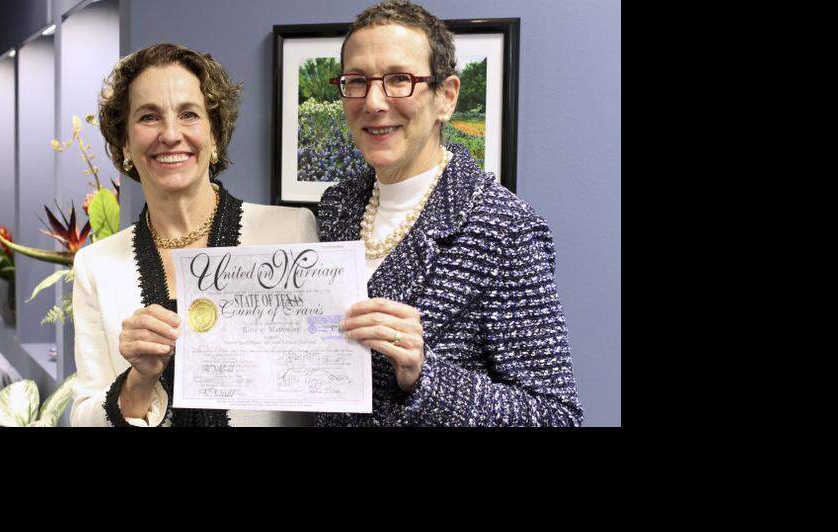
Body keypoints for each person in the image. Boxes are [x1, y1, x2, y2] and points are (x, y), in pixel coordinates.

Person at [316, 1, 582, 426]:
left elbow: (556, 416)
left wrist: (425, 375)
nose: (374, 102)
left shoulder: (505, 228)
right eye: (357, 81)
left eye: (399, 79)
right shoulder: (337, 207)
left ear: (447, 97)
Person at [70, 43, 319, 427]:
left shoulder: (292, 233)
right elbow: (83, 418)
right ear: (125, 145)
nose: (170, 134)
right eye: (149, 117)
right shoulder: (95, 266)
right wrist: (138, 380)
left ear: (215, 135)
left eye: (189, 114)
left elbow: (326, 383)